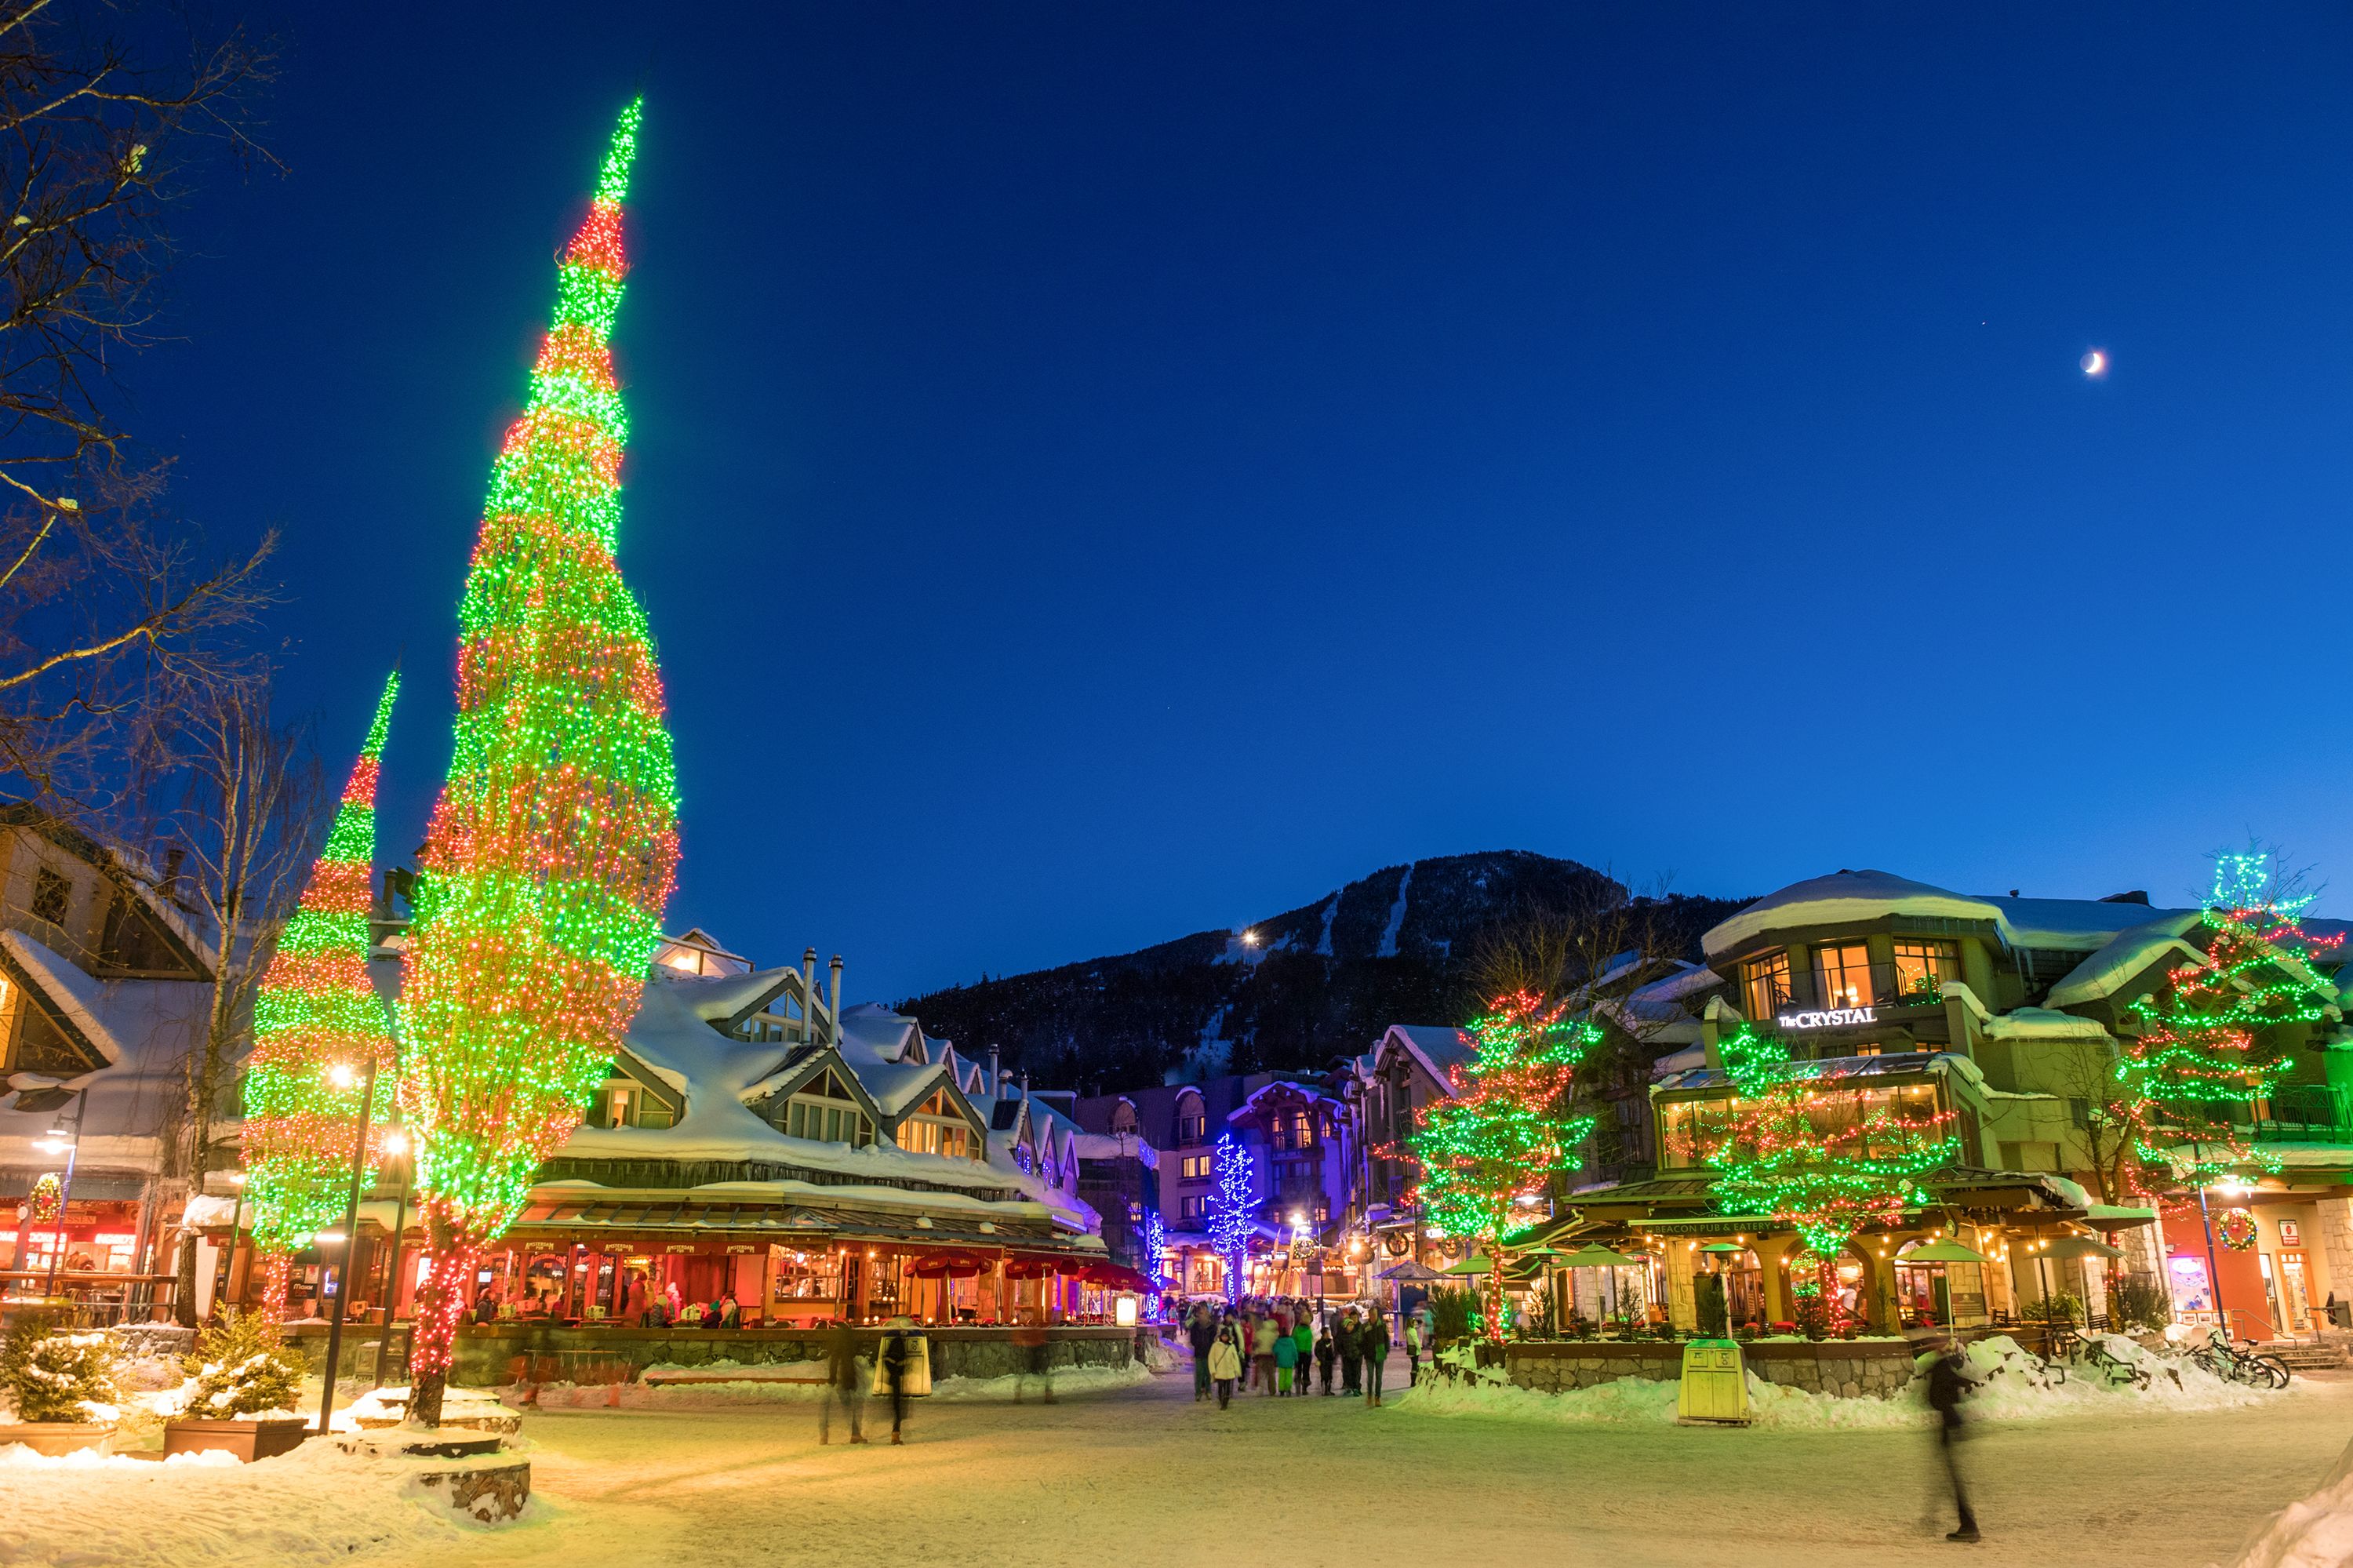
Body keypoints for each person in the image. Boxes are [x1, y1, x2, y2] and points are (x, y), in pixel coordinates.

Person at [1921, 1333, 1979, 1543]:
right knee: (1949, 1477)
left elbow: (1939, 1398)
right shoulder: (1945, 1366)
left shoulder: (1942, 1368)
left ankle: (1969, 1525)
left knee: (1953, 1479)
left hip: (1949, 1426)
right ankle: (1958, 1521)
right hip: (1949, 1427)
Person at [820, 1317, 867, 1445]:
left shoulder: (835, 1341)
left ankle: (824, 1434)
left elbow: (834, 1357)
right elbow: (843, 1359)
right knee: (852, 1405)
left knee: (829, 1406)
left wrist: (832, 1376)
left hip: (839, 1376)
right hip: (845, 1376)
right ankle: (855, 1434)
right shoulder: (845, 1340)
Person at [880, 1315, 918, 1444]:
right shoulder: (898, 1342)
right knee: (898, 1407)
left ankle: (896, 1433)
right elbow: (893, 1360)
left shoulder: (896, 1341)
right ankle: (895, 1434)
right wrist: (902, 1364)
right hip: (896, 1378)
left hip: (895, 1377)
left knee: (898, 1407)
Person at [1012, 1311, 1054, 1403]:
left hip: (1031, 1352)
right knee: (1046, 1375)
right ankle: (1048, 1397)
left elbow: (1019, 1338)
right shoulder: (1037, 1331)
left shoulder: (1030, 1331)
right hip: (1037, 1352)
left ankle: (1017, 1396)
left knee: (1024, 1374)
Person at [1208, 1322, 1244, 1410]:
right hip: (1220, 1371)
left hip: (1229, 1370)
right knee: (1221, 1386)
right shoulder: (1215, 1346)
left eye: (1226, 1336)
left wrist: (1237, 1369)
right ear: (1221, 1336)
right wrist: (1212, 1370)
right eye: (1223, 1336)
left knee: (1228, 1388)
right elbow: (1211, 1358)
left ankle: (1225, 1402)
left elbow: (1235, 1359)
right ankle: (1221, 1400)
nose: (1225, 1338)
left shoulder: (1231, 1347)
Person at [1362, 1310, 1392, 1406]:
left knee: (1379, 1377)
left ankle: (1377, 1397)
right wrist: (1364, 1351)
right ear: (1369, 1315)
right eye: (1372, 1315)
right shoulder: (1366, 1327)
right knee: (1370, 1376)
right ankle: (1370, 1396)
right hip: (1369, 1355)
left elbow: (1386, 1338)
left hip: (1380, 1353)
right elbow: (1362, 1340)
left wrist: (1386, 1350)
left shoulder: (1382, 1325)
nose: (1373, 1316)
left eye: (1375, 1314)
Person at [1187, 1304, 1217, 1402]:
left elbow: (1214, 1339)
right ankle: (1198, 1392)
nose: (1201, 1315)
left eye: (1203, 1313)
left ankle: (1208, 1391)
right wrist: (1197, 1344)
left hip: (1209, 1353)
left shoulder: (1212, 1327)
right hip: (1199, 1353)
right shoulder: (1195, 1326)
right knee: (1199, 1374)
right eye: (1200, 1313)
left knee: (1208, 1374)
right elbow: (1192, 1339)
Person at [1251, 1312, 1278, 1395]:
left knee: (1261, 1374)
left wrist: (1254, 1353)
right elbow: (1276, 1346)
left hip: (1260, 1355)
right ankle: (1272, 1390)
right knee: (1271, 1375)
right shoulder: (1274, 1335)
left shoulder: (1259, 1333)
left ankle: (1260, 1390)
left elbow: (1255, 1344)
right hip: (1270, 1356)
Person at [1337, 1310, 1362, 1395]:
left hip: (1357, 1355)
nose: (1354, 1320)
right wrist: (1343, 1353)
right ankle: (1349, 1385)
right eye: (1352, 1318)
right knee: (1348, 1371)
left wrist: (1360, 1351)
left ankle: (1356, 1387)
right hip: (1347, 1356)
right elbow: (1340, 1344)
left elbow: (1362, 1342)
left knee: (1357, 1371)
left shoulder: (1360, 1327)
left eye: (1355, 1318)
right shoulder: (1344, 1332)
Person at [1274, 1316, 1298, 1395]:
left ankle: (1281, 1390)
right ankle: (1288, 1388)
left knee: (1281, 1376)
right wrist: (1296, 1359)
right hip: (1289, 1361)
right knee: (1288, 1376)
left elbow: (1275, 1350)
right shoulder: (1291, 1341)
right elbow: (1294, 1351)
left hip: (1281, 1361)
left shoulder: (1278, 1341)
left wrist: (1276, 1358)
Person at [1292, 1314, 1313, 1395]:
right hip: (1306, 1353)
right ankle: (1305, 1387)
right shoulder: (1308, 1331)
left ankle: (1297, 1381)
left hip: (1298, 1352)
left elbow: (1293, 1340)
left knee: (1298, 1369)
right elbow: (1309, 1343)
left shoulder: (1296, 1329)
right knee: (1306, 1371)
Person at [1315, 1324, 1337, 1394]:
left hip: (1330, 1361)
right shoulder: (1320, 1342)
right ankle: (1324, 1390)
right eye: (1328, 1333)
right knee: (1324, 1376)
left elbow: (1334, 1350)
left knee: (1330, 1376)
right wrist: (1320, 1358)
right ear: (1324, 1334)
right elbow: (1317, 1351)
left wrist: (1334, 1357)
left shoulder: (1331, 1341)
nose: (1329, 1334)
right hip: (1323, 1362)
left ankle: (1328, 1390)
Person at [1404, 1313, 1424, 1387]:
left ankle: (1413, 1380)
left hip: (1410, 1349)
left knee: (1414, 1364)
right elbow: (1416, 1341)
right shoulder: (1412, 1331)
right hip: (1414, 1349)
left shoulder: (1407, 1330)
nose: (1416, 1323)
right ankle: (1413, 1381)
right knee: (1414, 1365)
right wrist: (1419, 1348)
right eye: (1414, 1322)